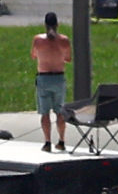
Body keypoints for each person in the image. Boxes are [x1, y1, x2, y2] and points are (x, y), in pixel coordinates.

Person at [32, 12, 73, 151]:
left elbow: (33, 55)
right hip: (58, 77)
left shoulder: (38, 39)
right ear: (57, 24)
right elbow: (68, 58)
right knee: (59, 111)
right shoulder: (64, 40)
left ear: (45, 25)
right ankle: (61, 141)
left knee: (45, 113)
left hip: (43, 78)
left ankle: (47, 142)